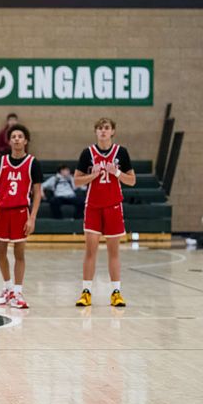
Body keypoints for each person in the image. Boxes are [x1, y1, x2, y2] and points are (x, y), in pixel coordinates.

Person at [0, 124, 42, 309]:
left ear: (26, 140)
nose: (16, 139)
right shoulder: (2, 162)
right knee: (0, 252)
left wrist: (32, 218)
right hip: (2, 211)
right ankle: (7, 288)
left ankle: (18, 291)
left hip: (21, 212)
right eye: (13, 136)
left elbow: (38, 193)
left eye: (20, 136)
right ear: (9, 141)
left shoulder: (33, 163)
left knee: (19, 253)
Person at [74, 118, 136, 307]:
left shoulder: (121, 152)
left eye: (106, 128)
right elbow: (76, 181)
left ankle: (116, 292)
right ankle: (86, 292)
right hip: (93, 207)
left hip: (113, 206)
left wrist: (116, 172)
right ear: (95, 131)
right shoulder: (87, 153)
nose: (103, 131)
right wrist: (92, 175)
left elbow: (132, 180)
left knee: (113, 252)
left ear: (112, 131)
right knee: (90, 251)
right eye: (100, 128)